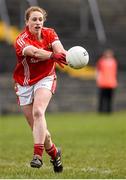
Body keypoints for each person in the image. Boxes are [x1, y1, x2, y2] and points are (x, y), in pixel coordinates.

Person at [13, 6, 67, 172]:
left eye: (40, 19)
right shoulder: (21, 39)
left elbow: (60, 51)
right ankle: (55, 153)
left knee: (38, 112)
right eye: (34, 19)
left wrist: (65, 55)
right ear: (27, 22)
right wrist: (52, 56)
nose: (37, 22)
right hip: (24, 83)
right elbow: (34, 53)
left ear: (43, 21)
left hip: (46, 78)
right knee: (41, 131)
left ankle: (37, 155)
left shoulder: (50, 33)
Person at [96, 49, 118, 113]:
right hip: (103, 83)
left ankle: (109, 111)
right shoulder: (101, 61)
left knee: (110, 98)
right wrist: (98, 79)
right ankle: (100, 111)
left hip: (111, 83)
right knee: (102, 98)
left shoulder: (114, 61)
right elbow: (98, 71)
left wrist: (115, 80)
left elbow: (115, 72)